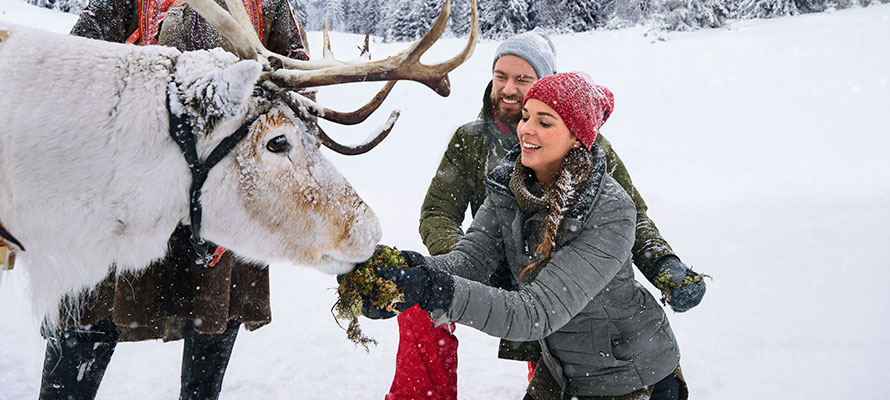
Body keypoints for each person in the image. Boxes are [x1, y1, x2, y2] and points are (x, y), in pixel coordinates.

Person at [387, 31, 706, 399]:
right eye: (500, 76)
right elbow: (441, 216)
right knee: (419, 307)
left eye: (523, 80)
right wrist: (413, 271)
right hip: (515, 291)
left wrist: (662, 262)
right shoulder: (487, 157)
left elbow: (631, 219)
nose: (509, 89)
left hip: (599, 340)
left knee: (546, 319)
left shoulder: (598, 170)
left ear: (576, 133)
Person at [37, 1, 309, 399]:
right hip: (128, 197)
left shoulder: (268, 3)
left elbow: (294, 78)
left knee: (211, 322)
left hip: (222, 198)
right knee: (87, 320)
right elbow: (77, 59)